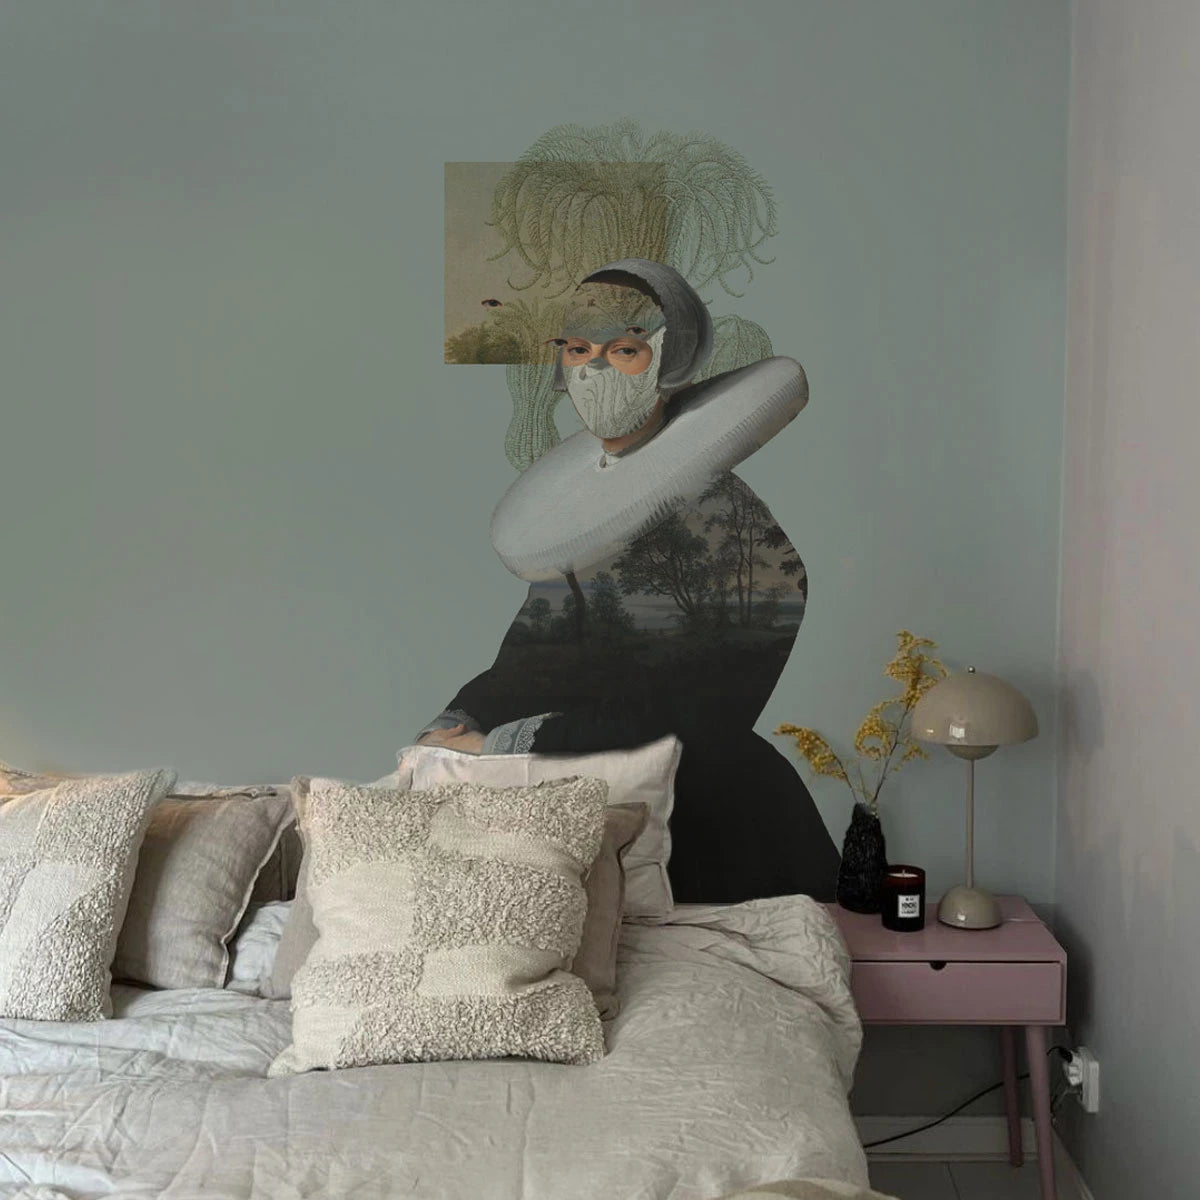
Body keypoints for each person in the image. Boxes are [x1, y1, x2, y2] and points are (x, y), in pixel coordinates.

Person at [418, 259, 839, 903]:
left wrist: (504, 744)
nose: (595, 370)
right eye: (578, 350)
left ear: (671, 361)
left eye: (623, 350)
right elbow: (531, 662)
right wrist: (457, 721)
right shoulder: (584, 524)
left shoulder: (729, 518)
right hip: (591, 797)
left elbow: (705, 706)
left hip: (717, 819)